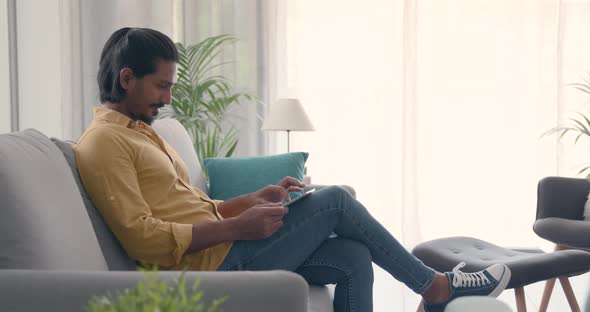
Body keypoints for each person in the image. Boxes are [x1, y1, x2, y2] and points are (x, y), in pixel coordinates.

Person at [75, 27, 511, 312]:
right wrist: (239, 229)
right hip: (207, 271)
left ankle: (432, 285)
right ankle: (433, 285)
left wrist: (252, 201)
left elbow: (193, 210)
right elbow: (143, 238)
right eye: (161, 86)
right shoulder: (104, 143)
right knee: (337, 198)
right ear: (127, 78)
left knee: (352, 256)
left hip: (222, 252)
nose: (167, 99)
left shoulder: (143, 132)